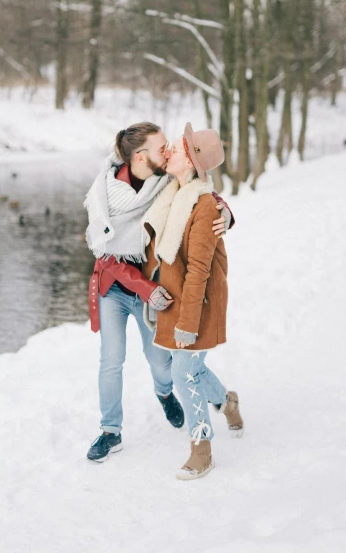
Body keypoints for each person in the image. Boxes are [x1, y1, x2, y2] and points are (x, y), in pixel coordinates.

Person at [84, 122, 233, 463]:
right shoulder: (104, 194)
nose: (167, 151)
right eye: (161, 146)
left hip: (156, 290)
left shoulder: (164, 178)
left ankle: (165, 393)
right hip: (117, 288)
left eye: (169, 146)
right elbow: (106, 255)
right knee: (111, 361)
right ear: (140, 156)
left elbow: (197, 189)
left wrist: (226, 212)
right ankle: (110, 431)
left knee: (161, 362)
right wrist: (146, 289)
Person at [142, 123, 243, 480]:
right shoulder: (172, 192)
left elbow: (199, 269)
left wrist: (187, 322)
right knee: (191, 368)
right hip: (174, 298)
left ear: (192, 162)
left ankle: (202, 448)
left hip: (198, 303)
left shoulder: (203, 207)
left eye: (178, 149)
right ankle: (228, 401)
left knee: (184, 373)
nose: (170, 152)